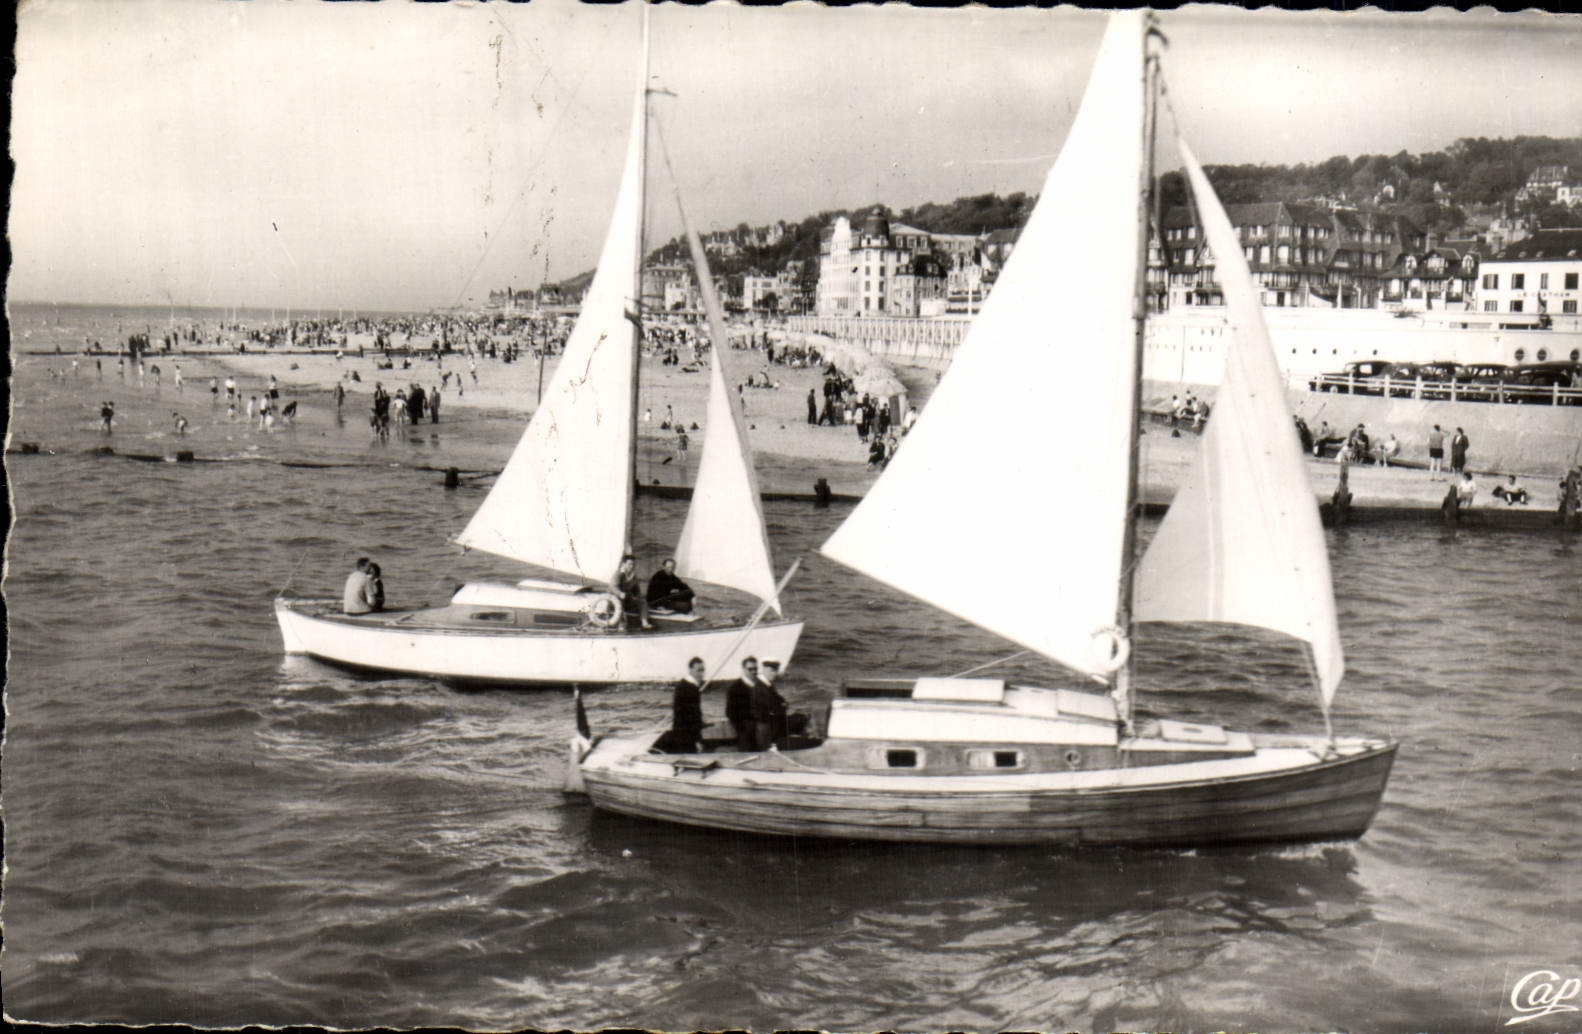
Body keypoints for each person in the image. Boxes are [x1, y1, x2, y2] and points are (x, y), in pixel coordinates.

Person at [652, 657, 706, 755]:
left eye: (703, 670)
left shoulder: (685, 685)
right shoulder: (689, 688)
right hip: (686, 736)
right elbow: (690, 716)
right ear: (690, 670)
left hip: (681, 732)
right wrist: (697, 740)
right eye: (698, 670)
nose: (701, 674)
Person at [748, 659, 790, 751]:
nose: (774, 674)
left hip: (768, 724)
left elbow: (777, 698)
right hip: (763, 726)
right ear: (764, 670)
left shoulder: (767, 685)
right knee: (766, 749)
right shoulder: (760, 687)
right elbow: (770, 705)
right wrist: (782, 706)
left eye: (776, 671)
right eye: (772, 671)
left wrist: (783, 702)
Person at [725, 657, 759, 748]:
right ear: (743, 669)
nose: (753, 672)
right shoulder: (735, 688)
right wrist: (742, 729)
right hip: (745, 730)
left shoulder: (760, 685)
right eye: (750, 669)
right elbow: (730, 712)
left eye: (755, 669)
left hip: (760, 728)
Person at [611, 554, 652, 630]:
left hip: (627, 599)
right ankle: (621, 624)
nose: (632, 566)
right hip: (614, 600)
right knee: (619, 602)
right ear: (624, 564)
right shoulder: (618, 573)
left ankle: (644, 622)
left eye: (633, 564)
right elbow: (613, 587)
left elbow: (636, 591)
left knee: (642, 602)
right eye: (630, 564)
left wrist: (639, 598)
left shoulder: (633, 576)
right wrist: (620, 593)